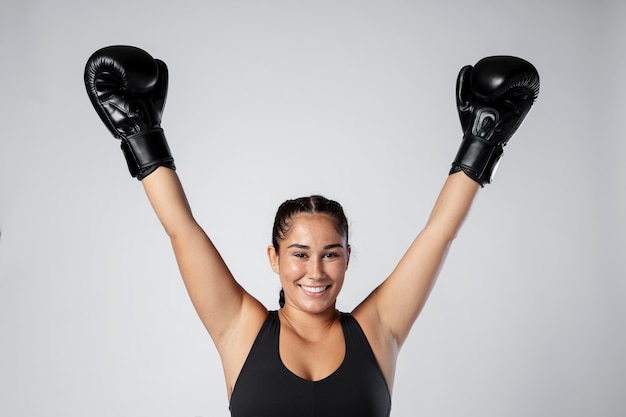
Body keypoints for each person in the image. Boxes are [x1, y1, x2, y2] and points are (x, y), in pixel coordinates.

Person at [84, 46, 539, 417]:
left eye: (330, 253)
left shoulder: (378, 328)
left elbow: (438, 233)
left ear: (347, 255)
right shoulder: (238, 328)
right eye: (299, 253)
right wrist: (140, 134)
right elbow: (181, 229)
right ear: (274, 258)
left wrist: (481, 143)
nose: (315, 271)